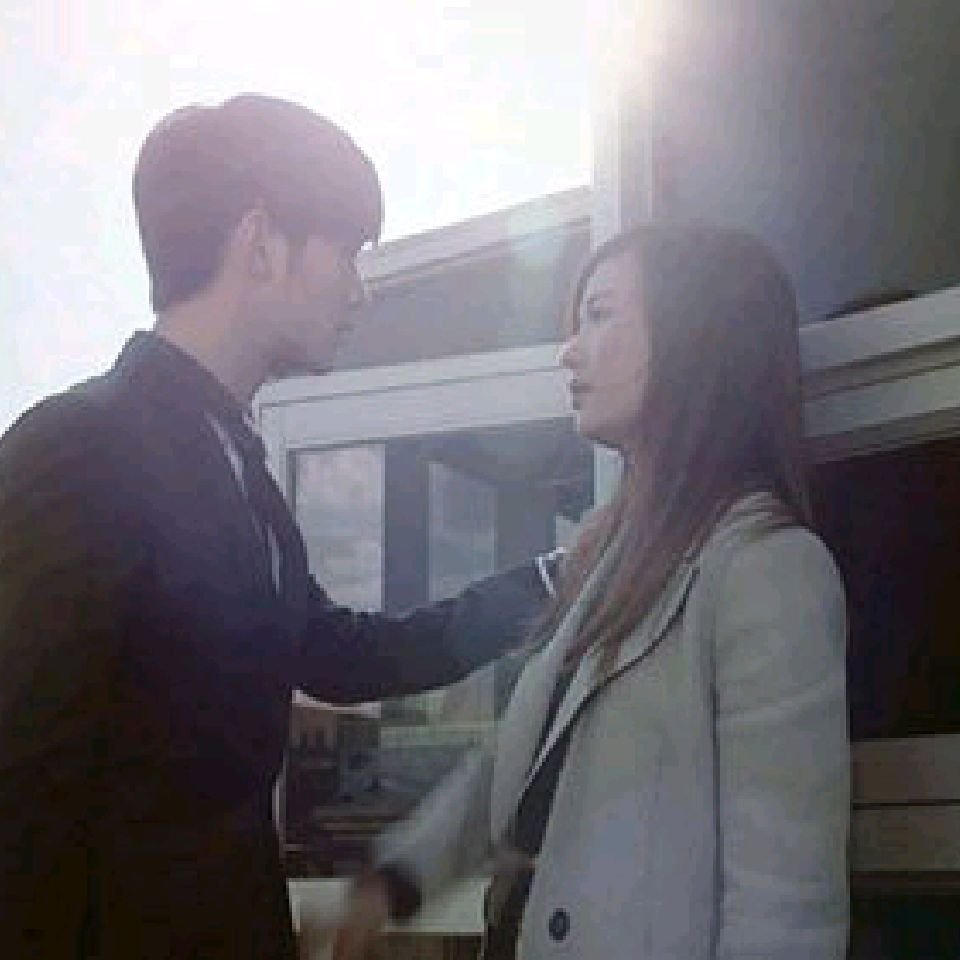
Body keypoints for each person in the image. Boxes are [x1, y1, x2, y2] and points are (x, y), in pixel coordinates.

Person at [0, 94, 556, 959]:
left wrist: (551, 582)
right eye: (349, 253)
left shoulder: (241, 469)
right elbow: (21, 789)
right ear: (261, 243)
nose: (361, 292)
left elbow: (343, 655)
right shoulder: (77, 445)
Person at [332, 224, 850, 960]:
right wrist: (394, 882)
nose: (568, 351)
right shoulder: (608, 555)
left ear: (695, 336)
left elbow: (786, 908)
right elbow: (517, 770)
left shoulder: (767, 568)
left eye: (600, 315)